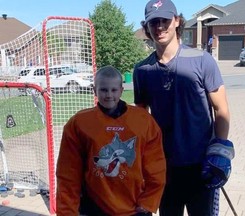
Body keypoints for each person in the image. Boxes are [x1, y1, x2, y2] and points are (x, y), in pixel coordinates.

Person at [133, 0, 235, 215]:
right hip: (164, 166)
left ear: (177, 21)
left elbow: (221, 109)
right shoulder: (142, 70)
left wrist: (220, 151)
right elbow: (141, 118)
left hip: (201, 164)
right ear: (146, 27)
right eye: (153, 22)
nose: (159, 26)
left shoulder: (201, 60)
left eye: (165, 20)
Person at [56, 65, 166, 216]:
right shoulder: (79, 123)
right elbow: (68, 172)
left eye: (113, 90)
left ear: (121, 90)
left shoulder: (143, 121)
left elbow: (156, 166)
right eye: (103, 90)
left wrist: (149, 201)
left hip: (134, 207)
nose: (109, 95)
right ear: (95, 90)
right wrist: (67, 211)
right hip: (94, 206)